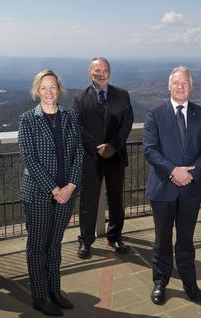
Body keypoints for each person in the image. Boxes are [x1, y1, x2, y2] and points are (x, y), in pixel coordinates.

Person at [143, 66, 201, 305]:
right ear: (169, 86)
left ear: (191, 87)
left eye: (185, 83)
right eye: (176, 83)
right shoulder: (154, 114)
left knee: (186, 239)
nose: (181, 86)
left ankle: (189, 281)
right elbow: (150, 150)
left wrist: (190, 175)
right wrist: (173, 171)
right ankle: (159, 282)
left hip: (191, 189)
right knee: (162, 240)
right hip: (163, 187)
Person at [19, 70, 83, 316]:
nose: (48, 92)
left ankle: (55, 290)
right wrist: (55, 189)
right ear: (37, 90)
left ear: (59, 89)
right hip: (38, 194)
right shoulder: (28, 119)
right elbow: (31, 161)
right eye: (43, 87)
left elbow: (78, 153)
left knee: (55, 245)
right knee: (38, 246)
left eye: (53, 87)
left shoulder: (69, 116)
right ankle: (40, 296)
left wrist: (71, 186)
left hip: (67, 193)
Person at [73, 57, 133, 259]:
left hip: (115, 157)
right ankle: (86, 241)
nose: (101, 73)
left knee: (116, 200)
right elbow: (77, 127)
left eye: (105, 69)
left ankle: (115, 237)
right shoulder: (80, 98)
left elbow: (127, 123)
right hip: (92, 158)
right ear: (89, 72)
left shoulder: (122, 95)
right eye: (96, 70)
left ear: (110, 72)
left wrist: (113, 146)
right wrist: (97, 147)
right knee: (88, 201)